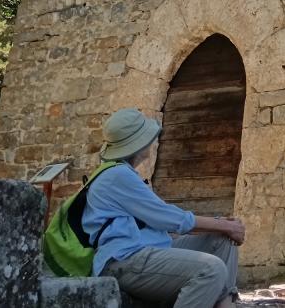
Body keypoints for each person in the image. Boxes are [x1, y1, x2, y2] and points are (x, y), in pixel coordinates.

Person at [85, 108, 246, 308]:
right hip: (124, 260)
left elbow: (160, 224)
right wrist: (224, 224)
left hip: (149, 250)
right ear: (138, 143)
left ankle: (225, 303)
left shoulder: (121, 173)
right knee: (210, 269)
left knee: (222, 241)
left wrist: (222, 228)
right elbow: (169, 218)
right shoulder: (117, 176)